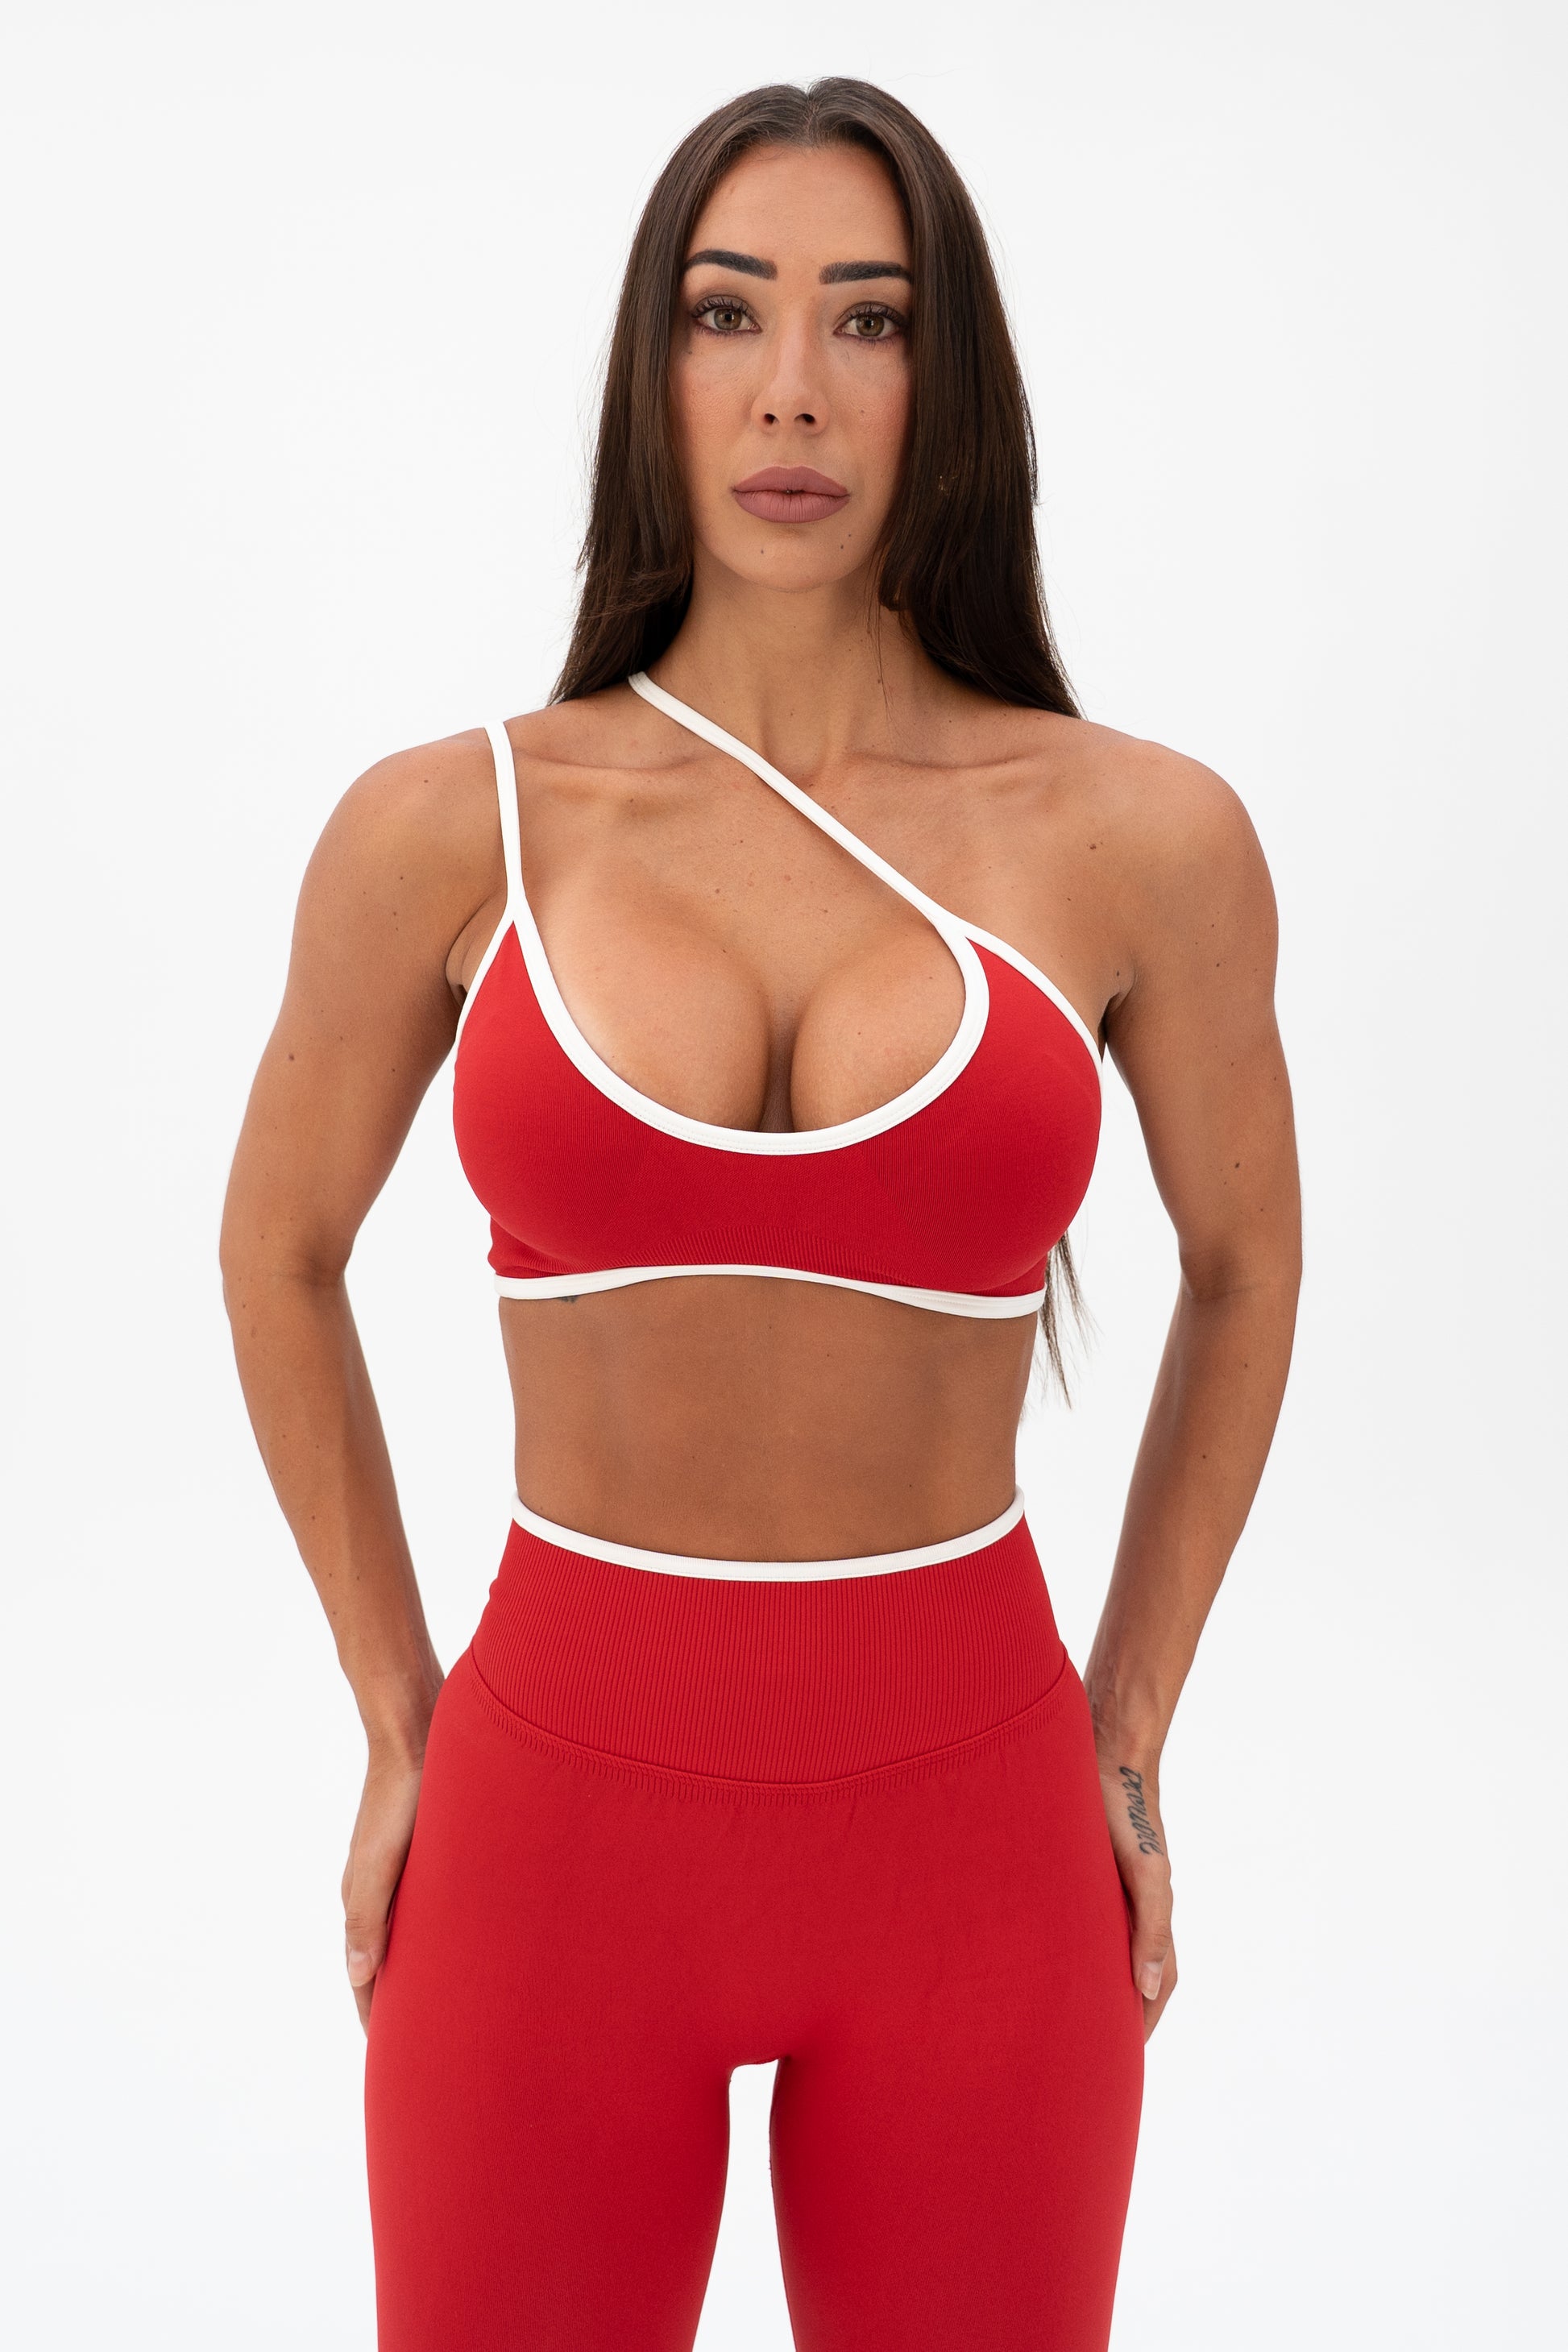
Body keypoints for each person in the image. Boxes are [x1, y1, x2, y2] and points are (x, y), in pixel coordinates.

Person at [221, 75, 1300, 2352]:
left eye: (866, 320)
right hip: (548, 1837)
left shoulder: (1137, 838)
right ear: (654, 366)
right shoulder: (455, 826)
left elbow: (1244, 1262)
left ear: (949, 380)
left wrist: (1126, 1729)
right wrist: (399, 1716)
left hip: (976, 1845)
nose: (792, 388)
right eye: (729, 313)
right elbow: (277, 1249)